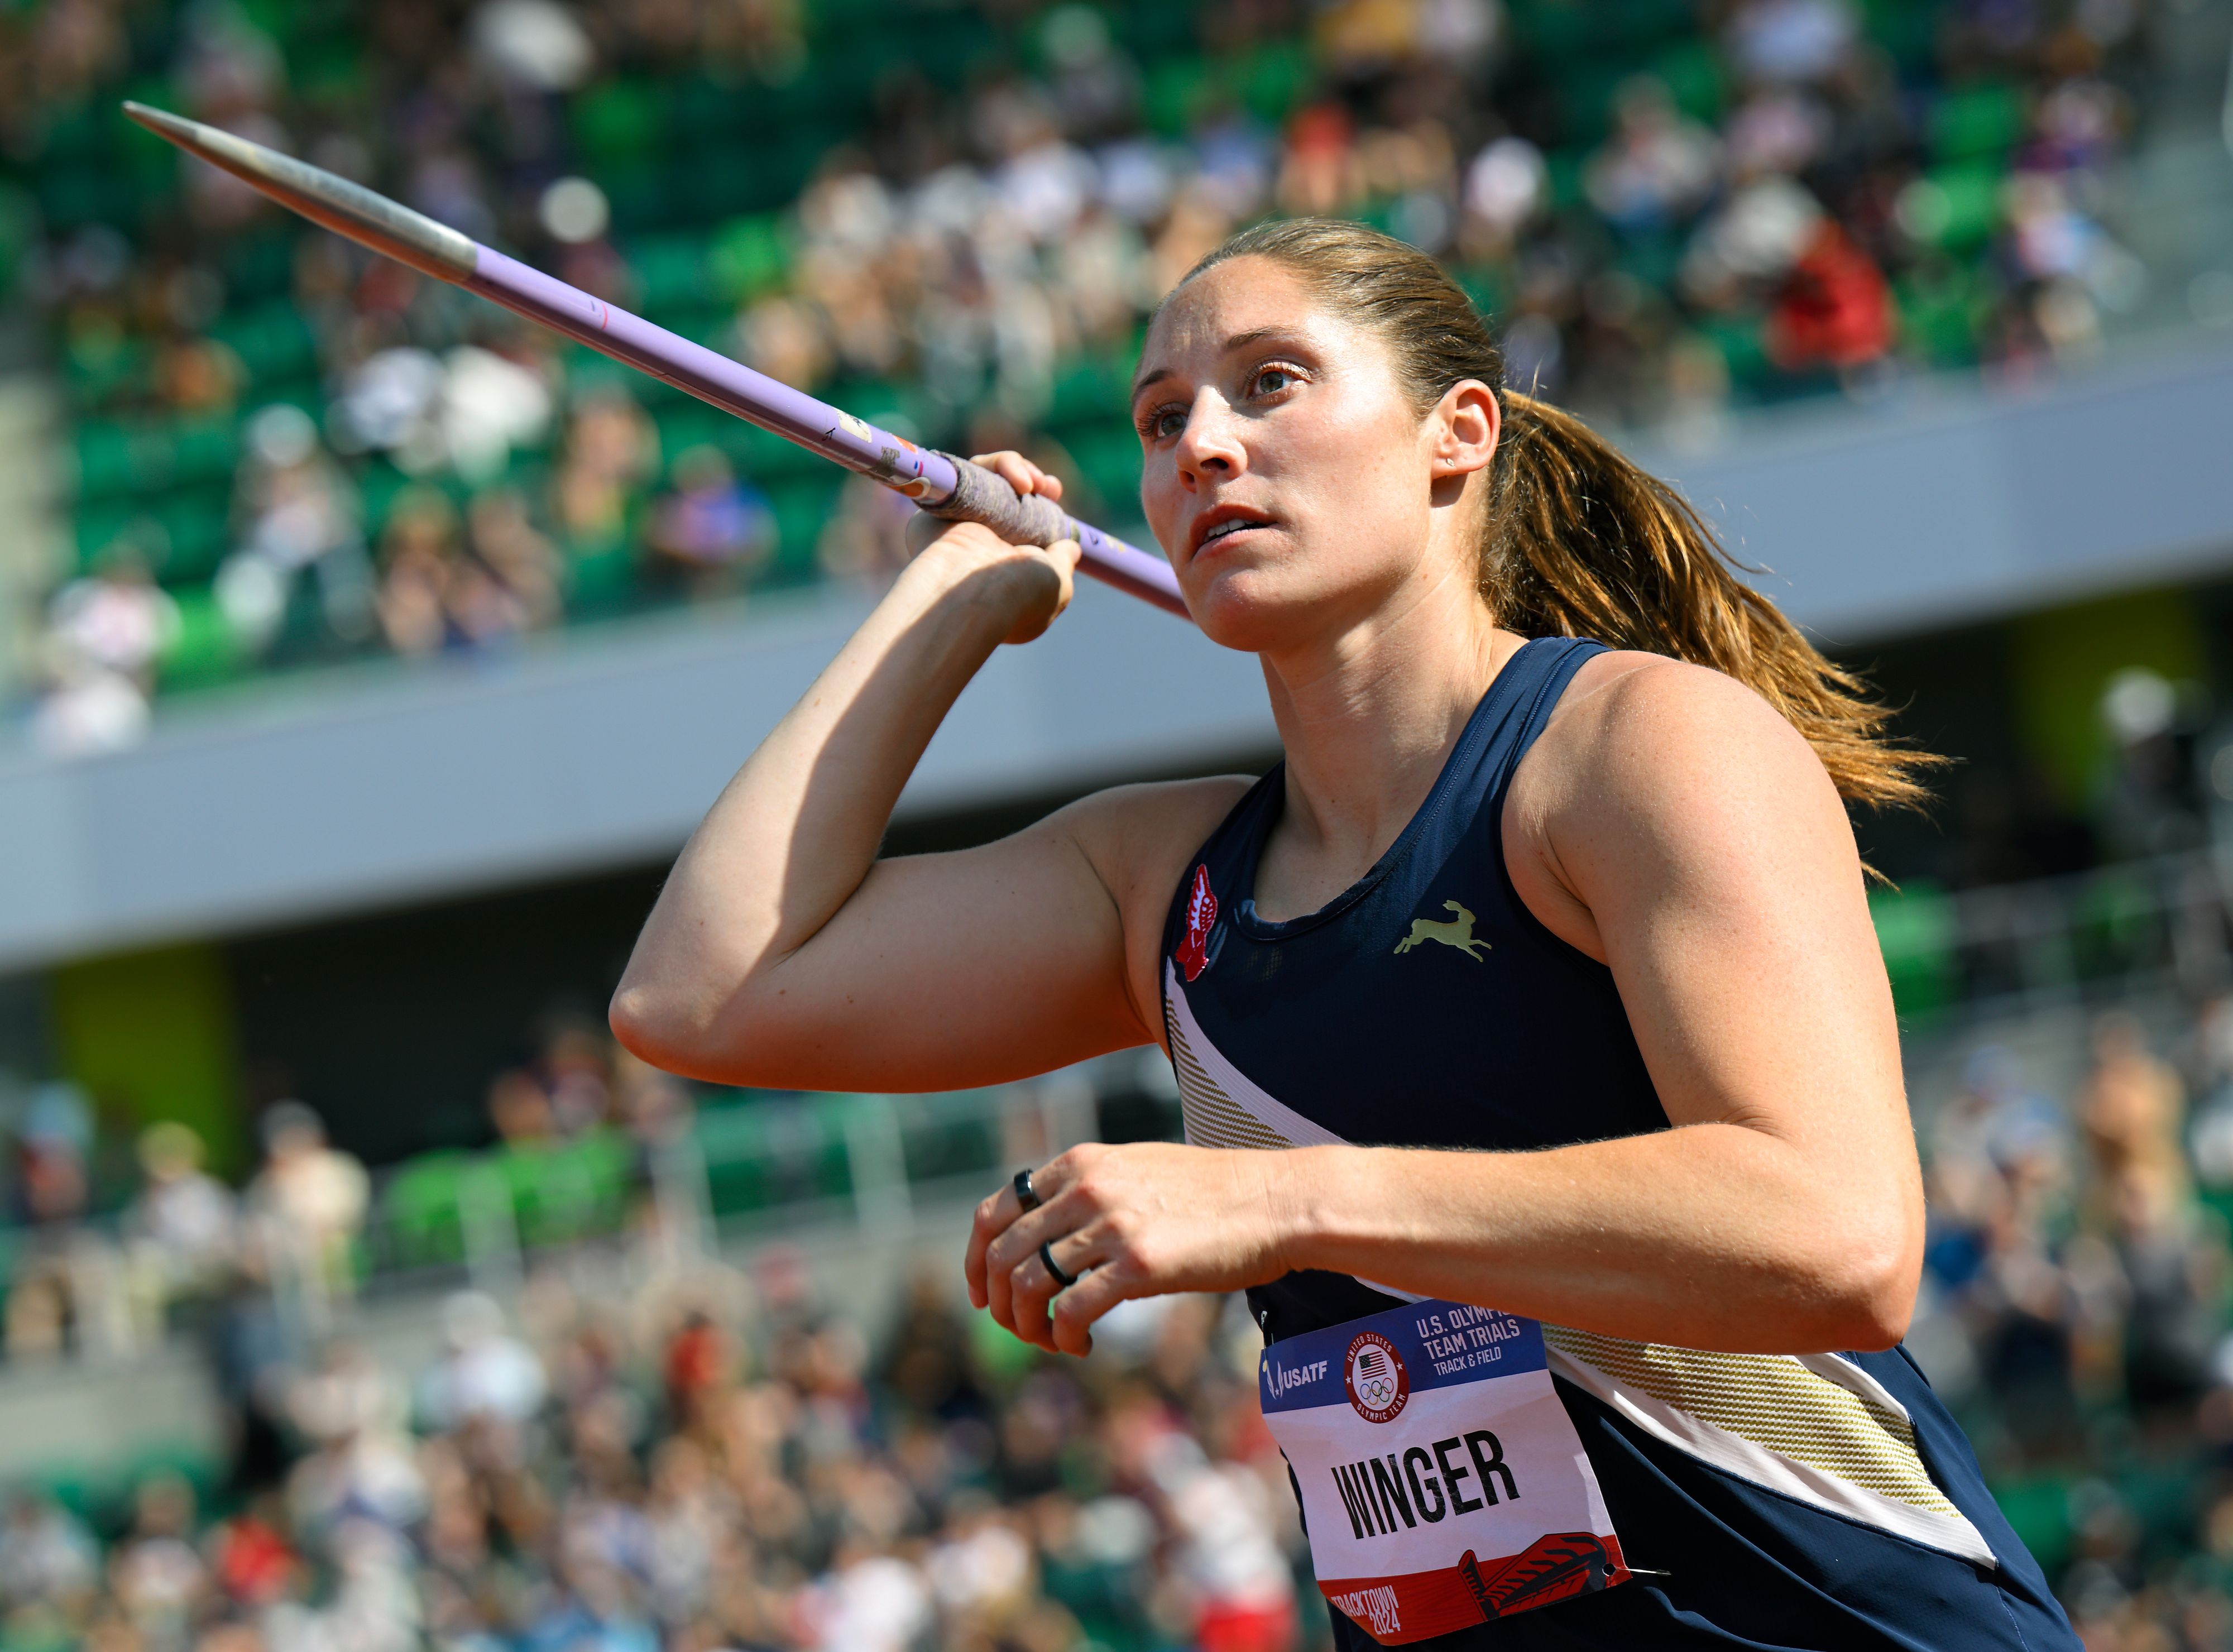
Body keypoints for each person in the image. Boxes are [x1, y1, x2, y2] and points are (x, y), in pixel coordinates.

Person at [610, 218, 2078, 1649]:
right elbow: (706, 993)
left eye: (1271, 383)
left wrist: (1275, 1202)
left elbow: (1838, 1238)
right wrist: (945, 600)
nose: (1200, 446)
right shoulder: (1162, 883)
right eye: (1160, 417)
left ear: (1457, 431)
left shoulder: (1631, 747)